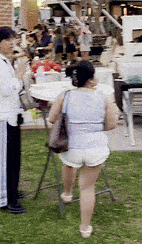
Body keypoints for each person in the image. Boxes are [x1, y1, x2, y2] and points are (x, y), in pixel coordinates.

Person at [48, 60, 119, 239]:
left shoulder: (64, 95)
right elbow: (111, 124)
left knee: (68, 164)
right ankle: (85, 227)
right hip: (95, 147)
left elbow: (51, 118)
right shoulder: (104, 97)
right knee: (87, 187)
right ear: (91, 78)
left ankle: (67, 193)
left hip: (71, 146)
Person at [0, 26, 29, 214]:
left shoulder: (6, 62)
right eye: (8, 40)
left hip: (11, 116)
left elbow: (15, 89)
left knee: (13, 158)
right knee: (4, 160)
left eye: (13, 39)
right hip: (2, 118)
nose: (13, 43)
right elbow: (6, 90)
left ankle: (11, 189)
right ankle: (4, 199)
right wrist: (19, 75)